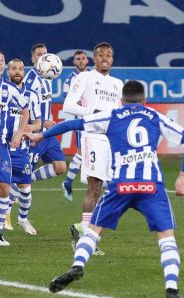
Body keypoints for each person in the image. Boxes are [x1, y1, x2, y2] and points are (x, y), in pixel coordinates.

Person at [27, 80, 184, 298]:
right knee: (166, 237)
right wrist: (183, 176)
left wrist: (41, 136)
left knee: (93, 232)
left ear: (121, 100)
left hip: (121, 185)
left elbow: (73, 125)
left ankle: (77, 266)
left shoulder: (112, 115)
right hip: (151, 185)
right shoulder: (155, 116)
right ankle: (172, 289)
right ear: (144, 100)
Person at [63, 42, 124, 255]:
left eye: (109, 55)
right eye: (101, 55)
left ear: (112, 59)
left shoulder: (117, 84)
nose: (105, 58)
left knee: (114, 190)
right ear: (94, 59)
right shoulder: (84, 78)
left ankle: (82, 229)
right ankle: (88, 238)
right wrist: (92, 111)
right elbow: (68, 105)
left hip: (112, 140)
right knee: (94, 187)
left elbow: (120, 111)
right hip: (93, 138)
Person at [0, 50, 33, 245]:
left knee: (4, 188)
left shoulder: (10, 89)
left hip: (1, 144)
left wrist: (20, 132)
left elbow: (25, 111)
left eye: (1, 61)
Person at [2, 58, 42, 236]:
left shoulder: (31, 94)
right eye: (14, 69)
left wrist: (26, 130)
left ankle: (23, 219)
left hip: (21, 150)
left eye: (20, 69)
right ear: (7, 71)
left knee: (26, 190)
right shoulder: (0, 91)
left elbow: (38, 123)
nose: (17, 72)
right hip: (1, 147)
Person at [24, 44, 66, 184]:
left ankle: (26, 180)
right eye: (38, 54)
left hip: (47, 133)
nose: (42, 57)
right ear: (32, 58)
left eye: (45, 54)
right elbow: (23, 109)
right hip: (34, 135)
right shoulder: (30, 80)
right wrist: (42, 123)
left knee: (60, 167)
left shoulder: (48, 77)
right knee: (23, 173)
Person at [60, 50, 89, 202]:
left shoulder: (93, 76)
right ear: (74, 62)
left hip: (95, 118)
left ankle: (69, 182)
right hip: (81, 120)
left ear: (87, 60)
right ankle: (69, 182)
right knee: (81, 151)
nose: (81, 61)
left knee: (87, 150)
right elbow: (69, 101)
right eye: (78, 59)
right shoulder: (69, 80)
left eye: (83, 58)